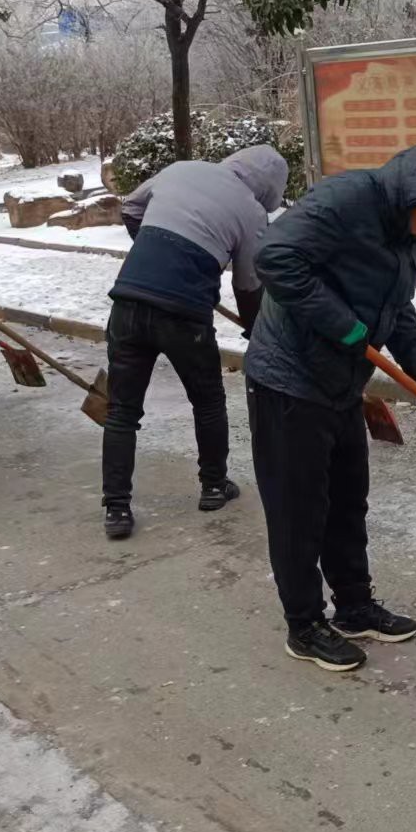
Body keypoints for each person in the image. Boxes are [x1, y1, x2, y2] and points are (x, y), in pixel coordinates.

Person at [243, 136, 416, 673]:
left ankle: (354, 606)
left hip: (341, 382)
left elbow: (397, 312)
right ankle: (304, 625)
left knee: (348, 502)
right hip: (289, 378)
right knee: (298, 511)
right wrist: (343, 326)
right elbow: (274, 258)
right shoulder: (347, 199)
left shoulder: (405, 231)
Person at [101, 144, 289, 539]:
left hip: (128, 300)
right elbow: (248, 284)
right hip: (185, 313)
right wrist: (259, 332)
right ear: (267, 189)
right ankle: (213, 485)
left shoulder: (180, 170)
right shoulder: (252, 212)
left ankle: (116, 508)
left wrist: (153, 251)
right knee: (207, 402)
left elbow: (131, 209)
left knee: (121, 410)